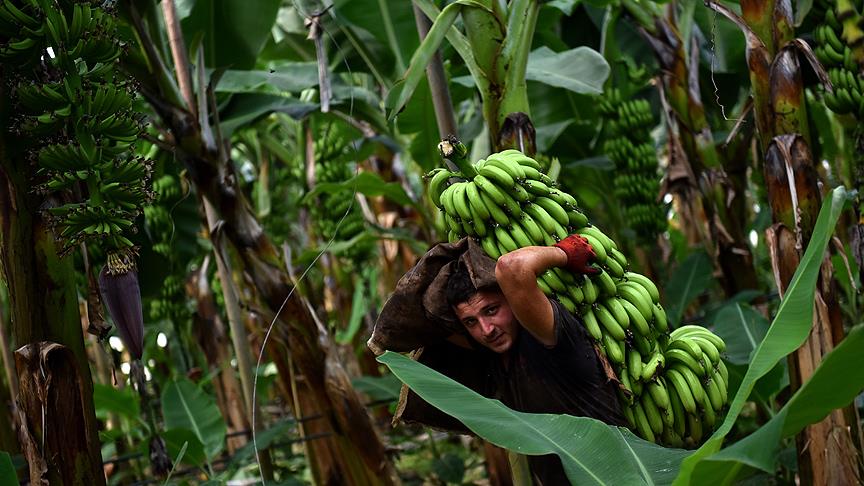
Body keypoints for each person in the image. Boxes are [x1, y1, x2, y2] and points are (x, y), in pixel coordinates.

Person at [444, 234, 626, 485]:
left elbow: (513, 267)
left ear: (513, 299)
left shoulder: (546, 333)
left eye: (491, 310)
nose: (486, 330)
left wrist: (564, 253)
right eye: (471, 322)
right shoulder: (495, 353)